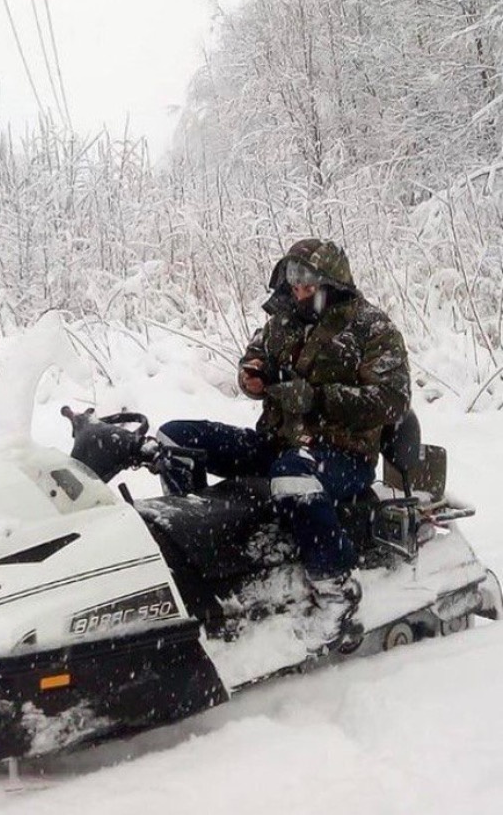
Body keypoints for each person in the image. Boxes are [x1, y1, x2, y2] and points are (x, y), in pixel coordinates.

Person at [158, 238, 411, 647]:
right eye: (294, 281)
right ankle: (195, 558)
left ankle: (336, 592)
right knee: (176, 437)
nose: (298, 291)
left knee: (294, 473)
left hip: (341, 453)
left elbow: (393, 401)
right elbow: (255, 357)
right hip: (277, 442)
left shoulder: (371, 328)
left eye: (307, 283)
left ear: (332, 282)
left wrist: (317, 399)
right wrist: (252, 374)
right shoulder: (283, 319)